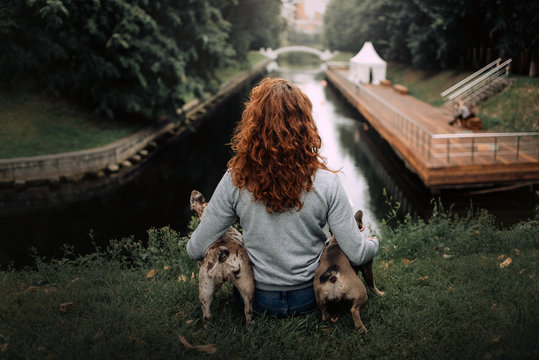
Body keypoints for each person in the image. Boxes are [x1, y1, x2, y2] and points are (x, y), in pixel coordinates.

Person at [186, 77, 380, 317]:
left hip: (256, 299)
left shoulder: (236, 179)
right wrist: (374, 242)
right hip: (312, 297)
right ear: (305, 123)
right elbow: (357, 253)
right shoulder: (326, 181)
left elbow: (195, 249)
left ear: (253, 125)